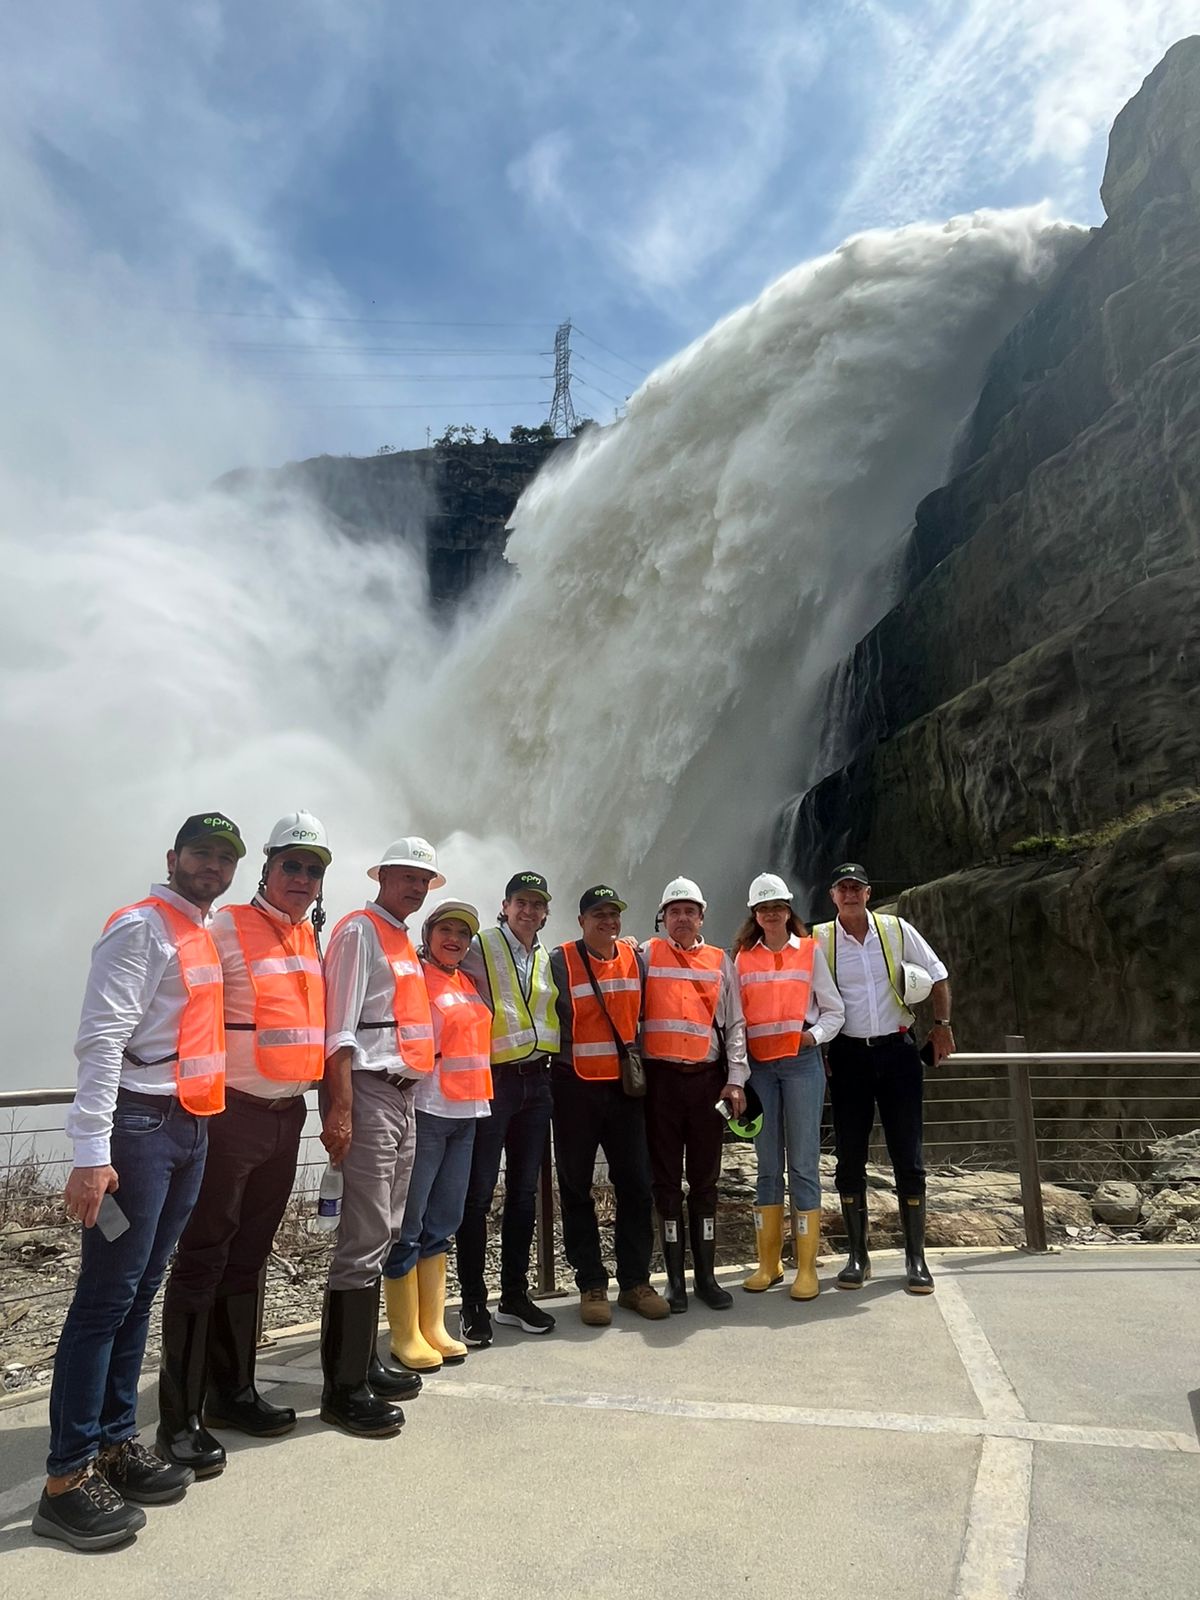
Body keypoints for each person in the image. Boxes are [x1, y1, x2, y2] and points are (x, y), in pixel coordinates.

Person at [33, 812, 244, 1552]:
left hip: (188, 1125)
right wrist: (91, 1153)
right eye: (201, 853)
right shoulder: (141, 927)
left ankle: (116, 1443)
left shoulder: (199, 930)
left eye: (225, 857)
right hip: (139, 1128)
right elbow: (101, 1040)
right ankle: (65, 1480)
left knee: (141, 1290)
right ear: (173, 857)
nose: (213, 866)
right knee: (104, 1300)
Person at [319, 836, 442, 1437]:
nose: (416, 888)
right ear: (382, 877)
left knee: (385, 1229)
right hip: (369, 1093)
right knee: (364, 1235)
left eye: (424, 880)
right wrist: (340, 1111)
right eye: (407, 877)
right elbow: (339, 1031)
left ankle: (363, 1363)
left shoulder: (400, 938)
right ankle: (343, 1389)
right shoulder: (359, 932)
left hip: (402, 1095)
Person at [814, 863, 954, 1295]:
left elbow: (938, 974)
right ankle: (858, 1256)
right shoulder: (819, 939)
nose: (850, 894)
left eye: (856, 887)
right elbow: (804, 996)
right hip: (847, 1055)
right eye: (843, 888)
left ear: (868, 892)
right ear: (833, 895)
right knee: (849, 1157)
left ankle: (916, 1258)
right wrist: (818, 1048)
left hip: (898, 1052)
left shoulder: (896, 929)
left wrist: (942, 1026)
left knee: (908, 1155)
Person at [549, 886, 670, 1326]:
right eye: (598, 914)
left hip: (624, 1091)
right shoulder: (560, 961)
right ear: (581, 920)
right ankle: (591, 1283)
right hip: (574, 1087)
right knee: (576, 1187)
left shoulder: (635, 958)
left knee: (636, 1185)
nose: (608, 921)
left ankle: (635, 1282)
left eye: (613, 914)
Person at [382, 900, 493, 1371]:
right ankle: (404, 1334)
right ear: (428, 935)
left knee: (443, 1221)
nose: (455, 940)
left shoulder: (466, 981)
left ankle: (433, 1326)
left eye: (463, 934)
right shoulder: (415, 978)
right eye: (446, 930)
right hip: (427, 1110)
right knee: (409, 1224)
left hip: (467, 1112)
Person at [455, 871, 559, 1348]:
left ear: (545, 912)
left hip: (537, 1083)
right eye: (521, 902)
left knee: (523, 1195)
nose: (529, 911)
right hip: (494, 1083)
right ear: (505, 905)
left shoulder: (543, 955)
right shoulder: (480, 945)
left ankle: (514, 1296)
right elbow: (438, 959)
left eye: (537, 904)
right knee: (477, 1196)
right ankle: (473, 1303)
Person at [733, 873, 845, 1301]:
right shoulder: (742, 959)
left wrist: (812, 1037)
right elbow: (735, 1019)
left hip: (801, 1065)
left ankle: (806, 1268)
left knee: (802, 1164)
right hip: (761, 1069)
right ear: (755, 914)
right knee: (766, 1166)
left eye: (777, 907)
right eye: (764, 908)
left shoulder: (810, 952)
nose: (771, 914)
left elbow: (834, 1011)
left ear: (788, 910)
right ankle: (768, 1263)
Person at [641, 877, 748, 1313]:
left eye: (689, 911)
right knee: (666, 1183)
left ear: (702, 917)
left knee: (705, 1182)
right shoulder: (645, 955)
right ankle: (674, 1282)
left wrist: (736, 1078)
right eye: (674, 911)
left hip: (706, 1082)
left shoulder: (721, 960)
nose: (682, 918)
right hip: (660, 1083)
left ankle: (706, 1278)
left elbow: (735, 1024)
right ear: (663, 918)